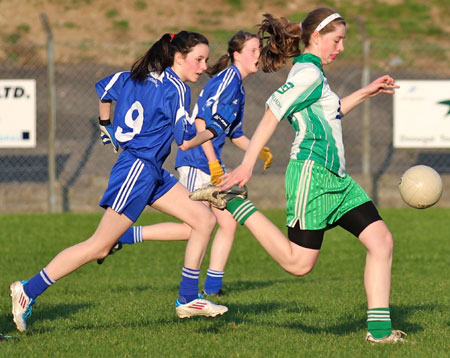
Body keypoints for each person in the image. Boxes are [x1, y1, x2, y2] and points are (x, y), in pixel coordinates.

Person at [190, 9, 406, 344]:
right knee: (298, 264)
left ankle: (379, 333)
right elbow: (272, 112)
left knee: (381, 241)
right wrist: (246, 166)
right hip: (312, 176)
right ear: (316, 37)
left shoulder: (315, 73)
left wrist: (367, 91)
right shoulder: (306, 73)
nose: (342, 47)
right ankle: (235, 203)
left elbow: (330, 113)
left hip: (338, 181)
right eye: (337, 40)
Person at [9, 31, 228, 332]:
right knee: (98, 246)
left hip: (150, 170)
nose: (203, 67)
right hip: (137, 171)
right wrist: (215, 129)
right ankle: (27, 290)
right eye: (199, 59)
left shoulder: (137, 75)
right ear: (178, 58)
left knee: (203, 220)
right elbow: (187, 142)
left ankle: (188, 298)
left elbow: (104, 90)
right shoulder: (176, 89)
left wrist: (105, 126)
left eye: (205, 60)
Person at [102, 31, 273, 297]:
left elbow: (232, 132)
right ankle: (194, 289)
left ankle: (203, 291)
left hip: (202, 159)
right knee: (199, 225)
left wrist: (257, 150)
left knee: (211, 223)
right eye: (253, 50)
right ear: (236, 54)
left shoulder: (237, 86)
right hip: (199, 161)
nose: (258, 55)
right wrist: (214, 164)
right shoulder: (226, 80)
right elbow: (202, 123)